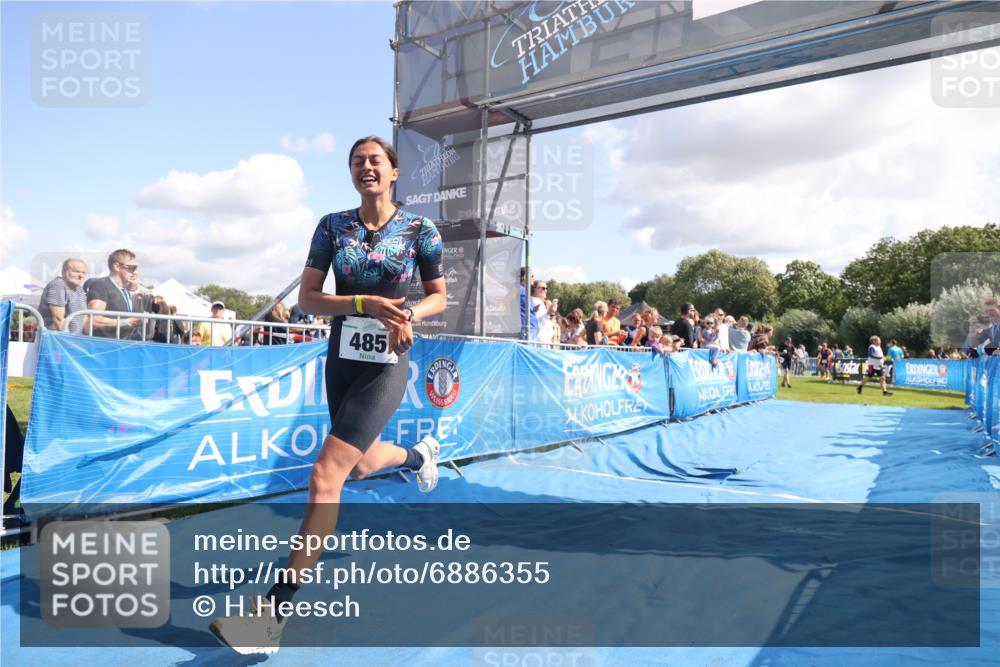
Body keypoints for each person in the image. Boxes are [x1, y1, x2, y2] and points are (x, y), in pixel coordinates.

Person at [210, 136, 446, 656]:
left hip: (387, 361)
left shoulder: (420, 229)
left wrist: (407, 314)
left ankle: (271, 616)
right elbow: (309, 298)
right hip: (341, 356)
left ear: (394, 172)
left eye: (376, 160)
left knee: (325, 475)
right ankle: (417, 456)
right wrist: (362, 303)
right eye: (358, 161)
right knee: (359, 466)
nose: (367, 167)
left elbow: (438, 296)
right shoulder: (332, 226)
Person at [85, 249, 144, 338]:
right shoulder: (101, 285)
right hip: (104, 344)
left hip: (121, 343)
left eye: (136, 268)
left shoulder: (125, 290)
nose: (135, 272)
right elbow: (94, 319)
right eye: (132, 268)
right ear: (117, 266)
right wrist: (127, 322)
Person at [38, 258, 88, 333]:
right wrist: (68, 339)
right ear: (64, 271)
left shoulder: (79, 289)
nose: (81, 276)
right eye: (76, 271)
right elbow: (58, 320)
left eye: (83, 273)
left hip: (75, 337)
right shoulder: (57, 286)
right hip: (55, 337)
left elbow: (84, 317)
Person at [519, 267, 538, 340]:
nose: (534, 279)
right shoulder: (518, 289)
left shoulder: (525, 290)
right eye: (532, 276)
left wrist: (534, 309)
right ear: (524, 277)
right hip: (526, 327)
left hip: (531, 327)